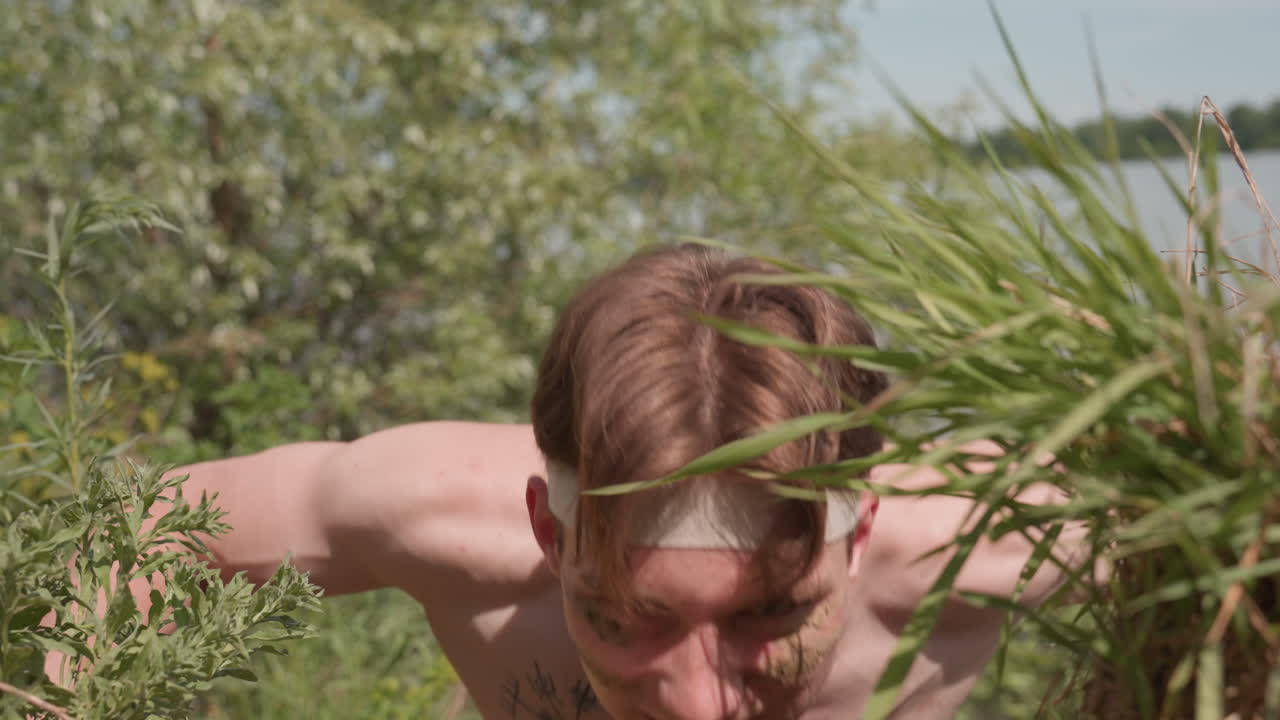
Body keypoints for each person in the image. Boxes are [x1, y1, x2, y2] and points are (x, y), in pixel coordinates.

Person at [156, 244, 1078, 719]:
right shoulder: (434, 512)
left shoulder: (989, 551)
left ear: (858, 531)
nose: (700, 705)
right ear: (548, 535)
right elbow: (143, 531)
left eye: (770, 616)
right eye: (629, 620)